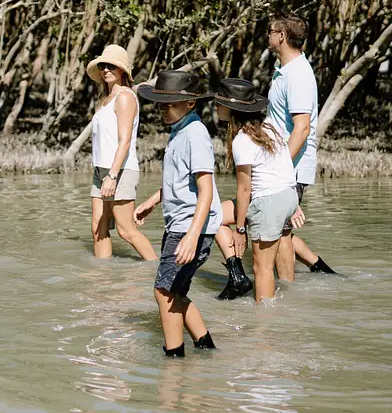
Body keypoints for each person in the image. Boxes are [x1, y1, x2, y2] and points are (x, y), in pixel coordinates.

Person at [134, 71, 222, 357]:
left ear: (190, 103)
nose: (162, 108)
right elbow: (178, 183)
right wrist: (151, 202)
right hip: (182, 225)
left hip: (189, 228)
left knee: (164, 293)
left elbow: (205, 190)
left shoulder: (195, 134)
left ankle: (174, 361)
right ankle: (206, 348)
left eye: (169, 103)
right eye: (160, 102)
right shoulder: (179, 131)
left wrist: (191, 237)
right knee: (176, 292)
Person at [213, 79, 303, 302]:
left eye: (220, 103)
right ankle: (241, 277)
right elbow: (283, 168)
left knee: (261, 268)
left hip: (268, 202)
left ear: (232, 109)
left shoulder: (242, 140)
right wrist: (294, 204)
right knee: (213, 215)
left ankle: (263, 329)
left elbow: (244, 189)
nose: (216, 107)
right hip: (287, 195)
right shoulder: (269, 127)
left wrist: (240, 230)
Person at [266, 14, 337, 277]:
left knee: (280, 231)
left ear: (282, 36)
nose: (268, 35)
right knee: (270, 224)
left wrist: (279, 168)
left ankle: (287, 293)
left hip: (289, 167)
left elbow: (302, 128)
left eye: (270, 31)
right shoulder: (285, 71)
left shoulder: (297, 74)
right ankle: (320, 268)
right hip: (281, 164)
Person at [85, 45, 157, 260]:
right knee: (98, 228)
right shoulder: (104, 100)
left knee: (126, 230)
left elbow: (124, 141)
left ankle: (156, 271)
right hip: (101, 169)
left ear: (123, 70)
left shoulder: (125, 97)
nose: (106, 70)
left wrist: (113, 176)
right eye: (103, 66)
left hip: (120, 170)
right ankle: (103, 279)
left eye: (112, 66)